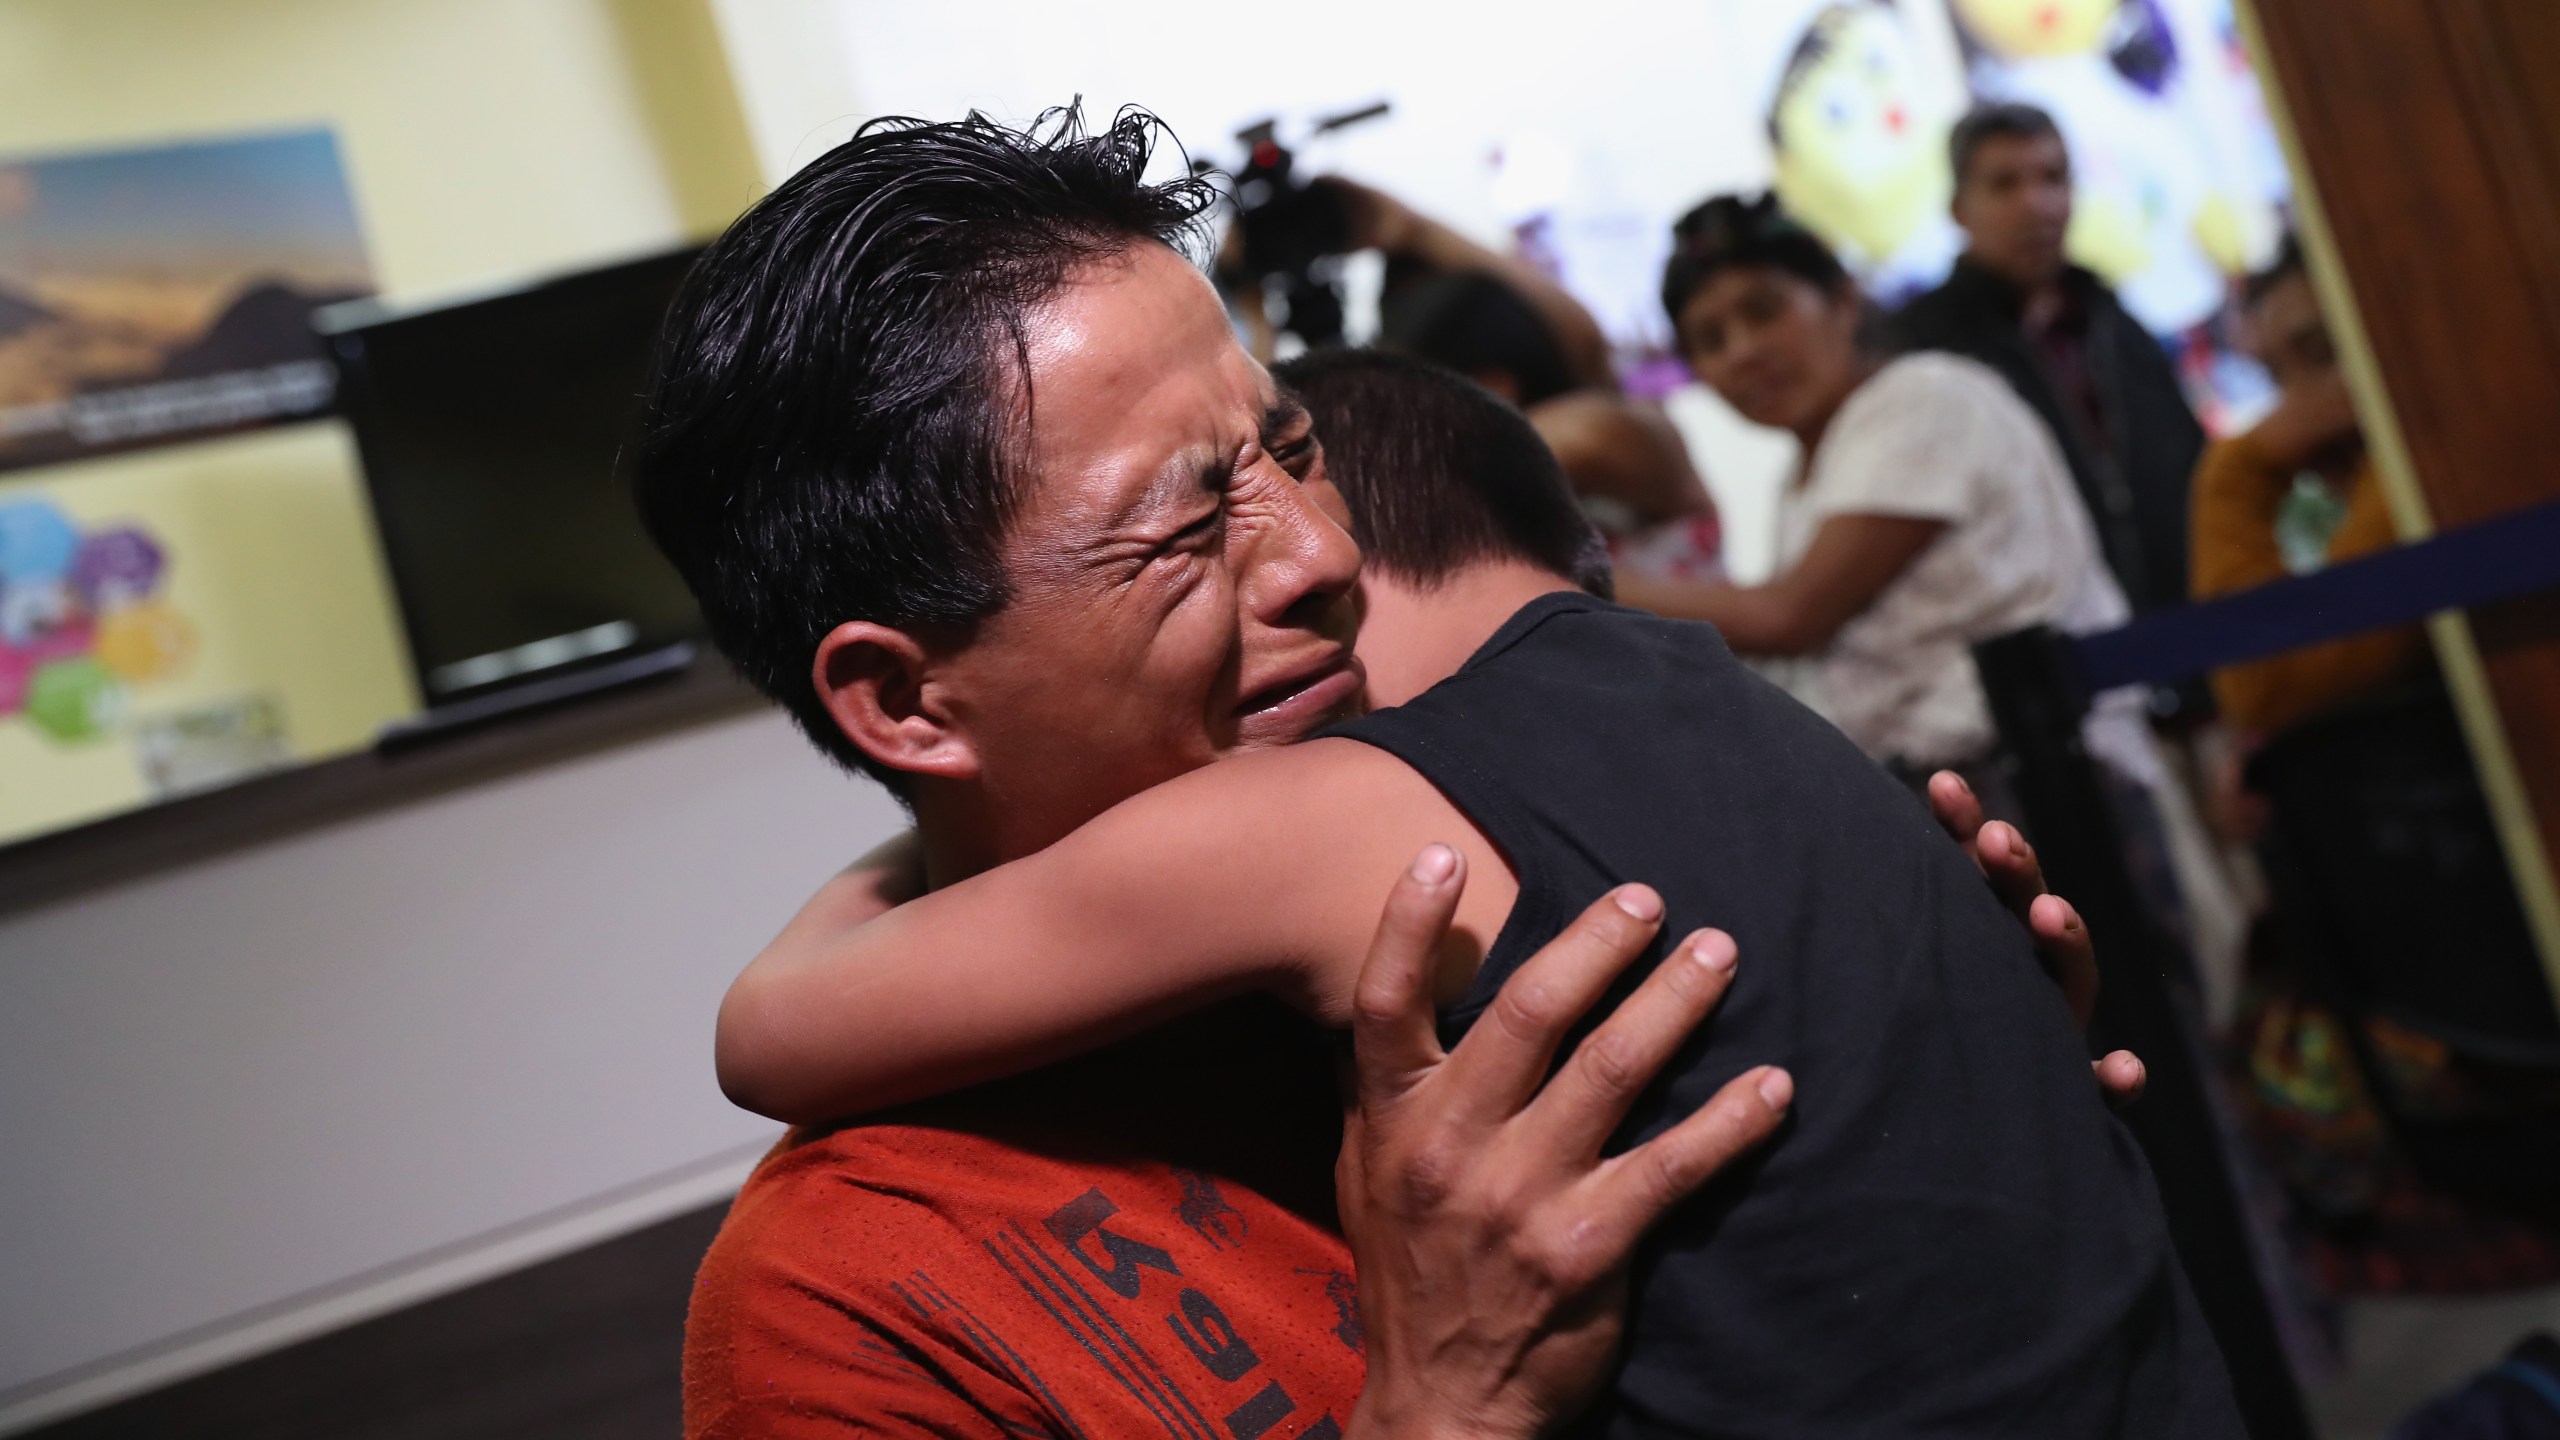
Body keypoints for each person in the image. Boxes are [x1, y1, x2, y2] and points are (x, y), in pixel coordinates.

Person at [700, 281, 2237, 1440]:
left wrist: (1922, 1061)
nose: (1319, 557)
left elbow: (769, 1023)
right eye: (1180, 533)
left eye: (1297, 457)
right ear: (904, 700)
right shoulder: (850, 1289)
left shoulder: (1403, 867)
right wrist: (1437, 1411)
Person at [1616, 192, 2145, 808]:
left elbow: (1786, 617)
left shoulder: (1923, 399)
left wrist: (1578, 581)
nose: (1742, 352)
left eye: (1763, 311)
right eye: (1710, 340)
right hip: (1944, 794)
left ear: (1843, 301)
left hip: (2049, 790)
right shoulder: (1806, 469)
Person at [1890, 102, 2204, 623]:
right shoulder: (1925, 351)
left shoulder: (2116, 325)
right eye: (2005, 184)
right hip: (2050, 662)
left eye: (2054, 178)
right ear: (1958, 208)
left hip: (2183, 640)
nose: (2037, 204)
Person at [2190, 235, 2424, 739]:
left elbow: (2266, 682)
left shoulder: (2429, 461)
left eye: (2323, 354)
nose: (2296, 410)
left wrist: (2238, 473)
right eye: (2276, 379)